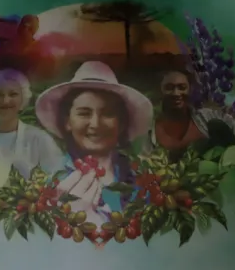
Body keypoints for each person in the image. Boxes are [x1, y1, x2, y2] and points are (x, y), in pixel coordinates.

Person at [34, 61, 153, 225]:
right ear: (67, 121)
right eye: (84, 113)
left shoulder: (140, 179)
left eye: (108, 114)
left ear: (121, 123)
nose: (96, 124)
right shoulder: (51, 180)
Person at [0, 68, 63, 178]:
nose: (5, 101)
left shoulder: (40, 140)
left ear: (23, 100)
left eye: (13, 94)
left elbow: (58, 181)